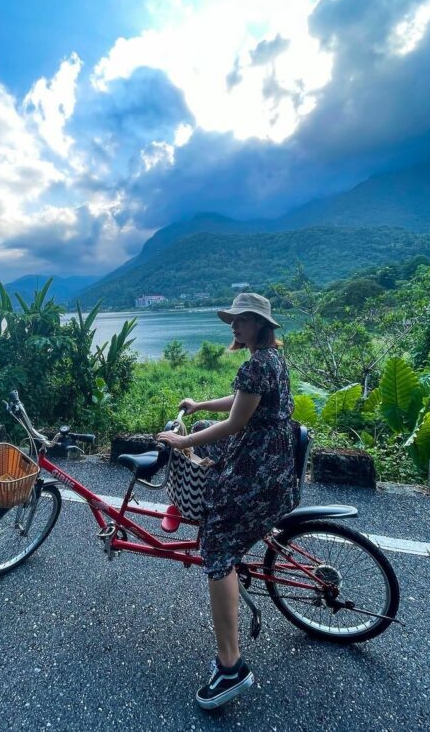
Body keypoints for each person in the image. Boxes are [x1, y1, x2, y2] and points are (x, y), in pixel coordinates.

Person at [157, 292, 298, 710]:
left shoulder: (258, 364)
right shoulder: (270, 360)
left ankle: (231, 665)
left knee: (215, 551)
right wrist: (199, 406)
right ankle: (206, 509)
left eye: (242, 320)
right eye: (232, 320)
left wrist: (182, 441)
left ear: (259, 323)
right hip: (273, 463)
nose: (234, 326)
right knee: (204, 425)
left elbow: (236, 421)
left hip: (258, 475)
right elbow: (239, 405)